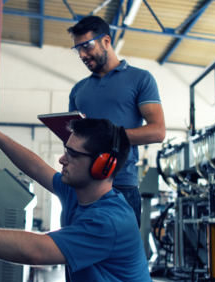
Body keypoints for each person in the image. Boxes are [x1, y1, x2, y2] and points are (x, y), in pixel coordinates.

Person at [0, 108, 154, 282]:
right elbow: (36, 168)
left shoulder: (110, 221)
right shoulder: (77, 190)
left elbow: (34, 251)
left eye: (73, 155)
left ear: (103, 166)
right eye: (66, 150)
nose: (62, 159)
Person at [68, 16, 166, 228]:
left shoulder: (140, 79)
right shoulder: (78, 90)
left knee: (120, 260)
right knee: (78, 259)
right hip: (81, 188)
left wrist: (106, 138)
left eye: (87, 46)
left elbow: (157, 131)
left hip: (121, 188)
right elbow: (70, 137)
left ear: (106, 41)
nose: (82, 55)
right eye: (78, 49)